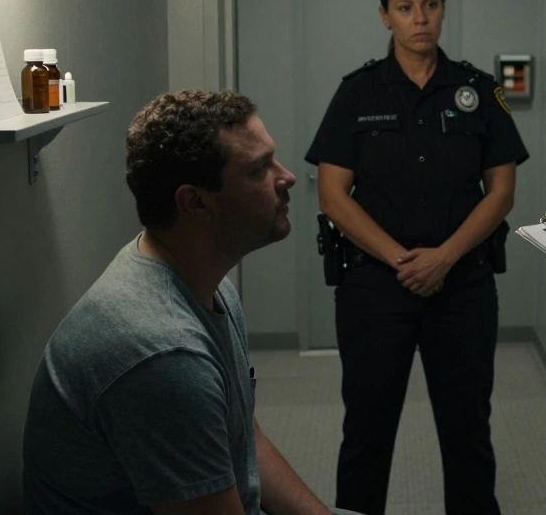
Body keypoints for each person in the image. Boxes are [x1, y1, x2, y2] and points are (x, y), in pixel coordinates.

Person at [23, 90, 359, 515]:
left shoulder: (204, 281)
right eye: (259, 169)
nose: (287, 177)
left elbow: (244, 441)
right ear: (195, 202)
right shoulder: (162, 354)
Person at [305, 0, 529, 515]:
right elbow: (332, 196)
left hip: (463, 288)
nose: (419, 18)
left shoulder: (480, 90)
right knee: (366, 434)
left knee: (468, 434)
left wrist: (445, 259)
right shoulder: (356, 94)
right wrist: (404, 260)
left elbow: (501, 191)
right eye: (405, 8)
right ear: (385, 15)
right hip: (375, 290)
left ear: (443, 8)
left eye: (429, 4)